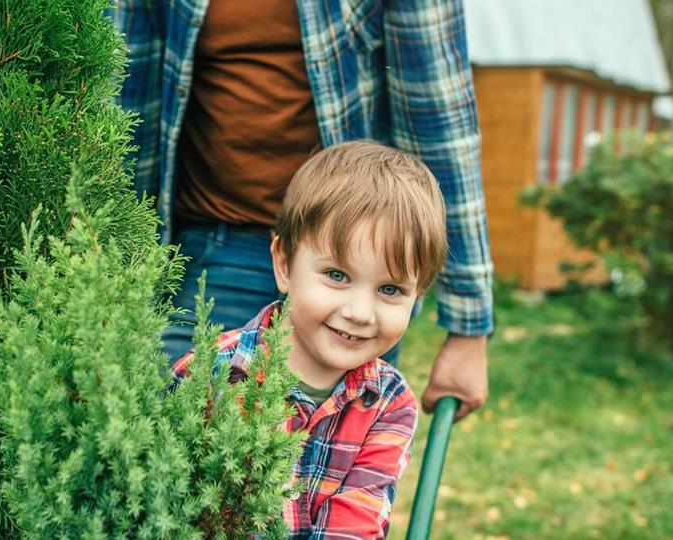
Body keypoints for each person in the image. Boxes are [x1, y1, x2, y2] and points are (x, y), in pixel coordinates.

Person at [113, 0, 492, 419]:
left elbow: (436, 111)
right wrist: (112, 270)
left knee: (334, 453)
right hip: (214, 250)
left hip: (363, 263)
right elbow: (123, 94)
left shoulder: (364, 313)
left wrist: (467, 328)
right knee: (175, 446)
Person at [172, 142, 442, 537]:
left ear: (418, 295)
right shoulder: (209, 375)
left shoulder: (388, 403)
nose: (360, 312)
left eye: (390, 289)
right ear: (284, 264)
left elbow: (353, 526)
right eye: (337, 275)